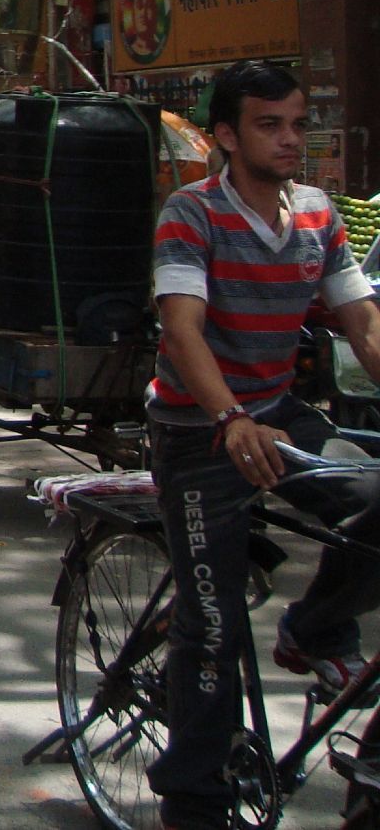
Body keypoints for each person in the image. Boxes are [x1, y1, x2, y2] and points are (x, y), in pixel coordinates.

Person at [146, 61, 380, 830]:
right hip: (197, 432)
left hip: (281, 413)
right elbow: (182, 328)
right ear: (225, 135)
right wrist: (227, 418)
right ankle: (194, 799)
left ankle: (314, 630)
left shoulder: (317, 213)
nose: (288, 139)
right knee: (211, 626)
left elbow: (363, 323)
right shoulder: (192, 213)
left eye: (295, 123)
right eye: (268, 125)